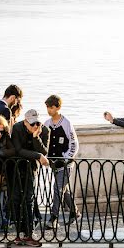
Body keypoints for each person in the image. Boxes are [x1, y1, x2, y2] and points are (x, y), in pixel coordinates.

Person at [8, 109, 49, 247]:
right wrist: (37, 156)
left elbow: (44, 151)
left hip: (31, 169)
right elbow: (18, 150)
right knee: (15, 199)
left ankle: (29, 234)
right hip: (15, 168)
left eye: (38, 123)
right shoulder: (17, 128)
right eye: (32, 124)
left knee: (29, 200)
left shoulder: (45, 131)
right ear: (25, 122)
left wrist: (36, 137)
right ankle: (18, 234)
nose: (35, 126)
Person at [42, 95, 79, 230]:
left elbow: (74, 143)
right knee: (64, 189)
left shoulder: (66, 123)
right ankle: (75, 212)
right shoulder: (46, 124)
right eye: (47, 107)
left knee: (57, 189)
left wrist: (66, 158)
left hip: (65, 163)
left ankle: (54, 218)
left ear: (57, 107)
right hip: (53, 162)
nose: (48, 110)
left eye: (51, 107)